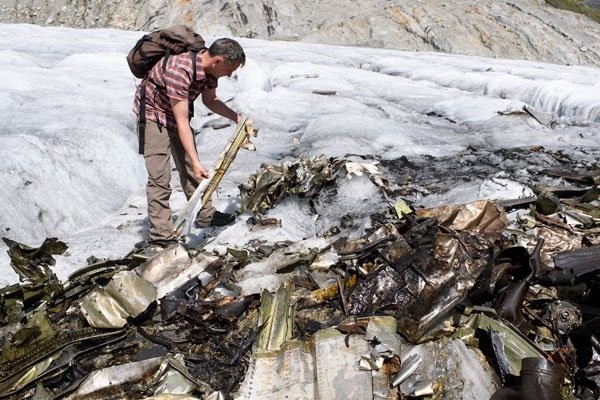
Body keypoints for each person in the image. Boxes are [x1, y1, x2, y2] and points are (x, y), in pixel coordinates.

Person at [133, 38, 245, 243]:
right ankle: (161, 235)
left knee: (192, 169)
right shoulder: (180, 70)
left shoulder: (210, 71)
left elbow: (210, 100)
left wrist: (237, 118)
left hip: (176, 114)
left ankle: (205, 214)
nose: (229, 75)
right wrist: (195, 161)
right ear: (218, 61)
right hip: (153, 116)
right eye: (229, 70)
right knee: (160, 177)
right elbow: (182, 121)